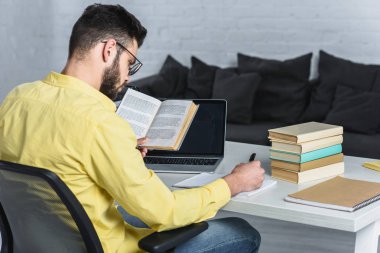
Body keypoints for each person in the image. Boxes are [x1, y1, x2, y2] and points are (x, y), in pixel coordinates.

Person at [0, 4, 264, 253]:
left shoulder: (17, 98)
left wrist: (121, 156)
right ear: (109, 49)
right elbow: (165, 212)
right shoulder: (100, 122)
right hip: (105, 248)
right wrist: (232, 183)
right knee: (241, 231)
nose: (127, 76)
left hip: (35, 244)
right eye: (130, 64)